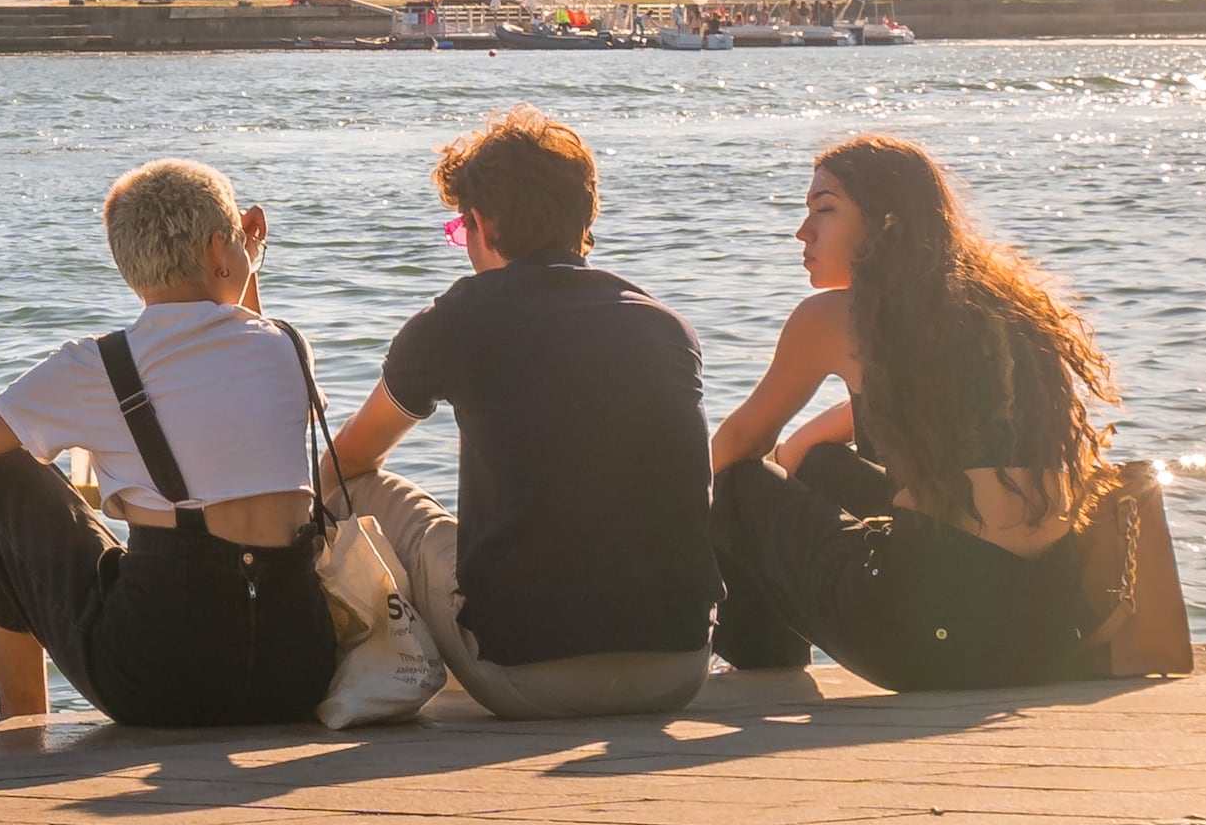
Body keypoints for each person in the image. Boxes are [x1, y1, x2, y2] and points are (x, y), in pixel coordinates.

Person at [0, 159, 344, 733]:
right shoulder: (288, 346)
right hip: (296, 672)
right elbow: (241, 347)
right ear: (224, 246)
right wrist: (244, 260)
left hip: (162, 680)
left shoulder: (98, 366)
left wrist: (56, 434)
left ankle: (20, 724)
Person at [316, 108, 716, 720]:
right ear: (583, 218)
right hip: (680, 669)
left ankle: (335, 669)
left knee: (358, 491)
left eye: (461, 226)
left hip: (529, 678)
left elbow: (350, 461)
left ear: (483, 221)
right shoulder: (663, 325)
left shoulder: (454, 321)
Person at [710, 136, 1122, 691]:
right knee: (821, 467)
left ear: (887, 223)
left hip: (926, 639)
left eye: (824, 211)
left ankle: (761, 665)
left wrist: (662, 524)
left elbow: (738, 443)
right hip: (1045, 632)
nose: (802, 233)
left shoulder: (833, 318)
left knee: (740, 484)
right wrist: (805, 449)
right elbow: (926, 412)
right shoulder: (1000, 312)